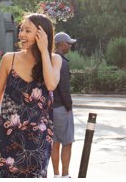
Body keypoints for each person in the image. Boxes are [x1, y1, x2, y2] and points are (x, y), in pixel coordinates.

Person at [0, 13, 62, 177]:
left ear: (41, 34)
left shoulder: (54, 60)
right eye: (21, 30)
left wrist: (44, 51)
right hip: (8, 137)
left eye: (27, 31)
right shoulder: (8, 59)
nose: (21, 35)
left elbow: (52, 84)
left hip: (37, 140)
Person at [51, 32, 76, 178]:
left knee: (55, 142)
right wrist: (69, 107)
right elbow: (64, 88)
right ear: (61, 44)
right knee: (67, 142)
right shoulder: (63, 62)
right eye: (68, 43)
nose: (70, 45)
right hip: (61, 108)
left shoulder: (50, 59)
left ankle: (56, 175)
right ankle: (65, 176)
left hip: (50, 108)